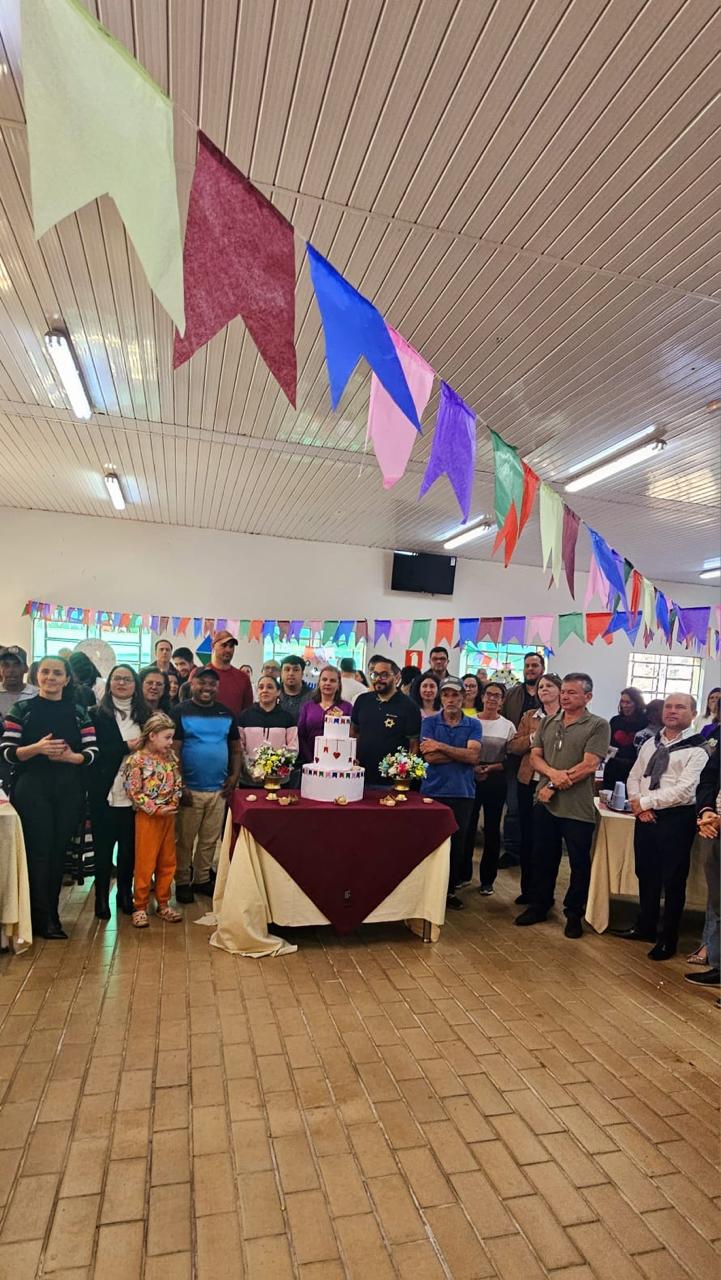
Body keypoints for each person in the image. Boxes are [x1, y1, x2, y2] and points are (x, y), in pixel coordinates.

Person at [0, 656, 98, 939]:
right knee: (38, 852)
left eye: (57, 673)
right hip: (32, 788)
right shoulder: (22, 708)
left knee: (58, 852)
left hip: (68, 788)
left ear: (67, 679)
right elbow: (7, 751)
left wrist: (71, 757)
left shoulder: (79, 712)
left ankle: (51, 914)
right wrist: (37, 748)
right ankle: (38, 918)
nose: (51, 677)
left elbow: (92, 752)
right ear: (36, 676)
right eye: (45, 672)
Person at [515, 673, 610, 938]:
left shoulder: (598, 725)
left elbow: (589, 765)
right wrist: (552, 775)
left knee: (579, 862)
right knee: (542, 856)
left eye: (572, 692)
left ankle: (574, 913)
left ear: (588, 697)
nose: (565, 697)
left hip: (577, 807)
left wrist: (554, 784)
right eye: (564, 692)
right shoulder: (548, 722)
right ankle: (539, 904)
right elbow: (535, 757)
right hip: (545, 802)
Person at [617, 693, 708, 960]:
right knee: (646, 873)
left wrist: (645, 802)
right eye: (668, 706)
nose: (672, 711)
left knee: (673, 880)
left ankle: (668, 939)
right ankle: (646, 926)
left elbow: (685, 790)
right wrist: (638, 804)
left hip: (676, 819)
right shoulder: (651, 742)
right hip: (645, 816)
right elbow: (635, 776)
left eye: (680, 707)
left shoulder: (698, 749)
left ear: (693, 714)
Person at [172, 668, 242, 902]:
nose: (207, 688)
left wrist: (234, 776)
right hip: (190, 790)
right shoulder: (179, 711)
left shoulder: (227, 714)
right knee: (184, 840)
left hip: (219, 790)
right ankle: (182, 880)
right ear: (192, 684)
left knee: (209, 840)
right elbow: (174, 750)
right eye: (202, 683)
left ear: (217, 688)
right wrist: (180, 784)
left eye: (212, 684)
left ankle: (202, 879)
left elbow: (235, 749)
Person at [89, 665, 148, 919]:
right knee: (103, 848)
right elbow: (94, 752)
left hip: (136, 793)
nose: (122, 683)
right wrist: (126, 746)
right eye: (117, 679)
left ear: (135, 685)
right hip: (104, 789)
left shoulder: (145, 715)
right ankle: (101, 897)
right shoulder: (95, 714)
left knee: (129, 848)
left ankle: (125, 894)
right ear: (109, 683)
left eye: (127, 679)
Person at [419, 677, 482, 911]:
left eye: (455, 695)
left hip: (462, 793)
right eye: (446, 695)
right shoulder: (429, 723)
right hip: (432, 791)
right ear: (441, 698)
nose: (451, 699)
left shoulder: (474, 724)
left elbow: (473, 757)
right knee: (429, 842)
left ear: (463, 697)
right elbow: (429, 757)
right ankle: (427, 890)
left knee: (457, 844)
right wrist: (460, 754)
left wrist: (441, 746)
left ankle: (448, 891)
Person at [123, 713, 183, 928]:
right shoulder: (136, 760)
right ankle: (140, 905)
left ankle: (163, 903)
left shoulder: (171, 758)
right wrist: (155, 809)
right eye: (167, 737)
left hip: (168, 816)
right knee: (145, 861)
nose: (170, 742)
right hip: (147, 818)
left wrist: (173, 803)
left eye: (171, 737)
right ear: (152, 736)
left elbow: (178, 782)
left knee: (168, 861)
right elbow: (133, 791)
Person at [508, 673, 562, 904]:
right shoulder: (529, 716)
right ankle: (527, 890)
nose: (544, 689)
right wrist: (533, 737)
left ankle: (544, 895)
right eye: (540, 687)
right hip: (528, 782)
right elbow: (513, 746)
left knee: (548, 842)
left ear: (560, 690)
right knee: (527, 837)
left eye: (549, 686)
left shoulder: (567, 717)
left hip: (555, 784)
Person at [461, 682, 515, 892]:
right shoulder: (470, 721)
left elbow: (512, 758)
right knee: (468, 828)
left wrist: (492, 767)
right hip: (470, 777)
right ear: (482, 697)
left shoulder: (508, 726)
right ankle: (463, 874)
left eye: (497, 695)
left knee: (492, 830)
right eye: (489, 694)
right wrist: (474, 767)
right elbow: (462, 749)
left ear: (502, 701)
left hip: (496, 779)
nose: (492, 698)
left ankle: (487, 880)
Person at [501, 652, 546, 868]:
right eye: (527, 665)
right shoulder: (512, 694)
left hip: (544, 764)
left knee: (538, 813)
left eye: (534, 665)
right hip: (515, 759)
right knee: (514, 809)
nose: (530, 669)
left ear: (542, 668)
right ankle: (512, 851)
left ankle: (534, 852)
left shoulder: (549, 693)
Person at [351, 655, 421, 786]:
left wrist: (404, 775)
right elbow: (353, 733)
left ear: (397, 677)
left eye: (384, 675)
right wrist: (351, 758)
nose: (378, 679)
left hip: (391, 781)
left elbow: (414, 745)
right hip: (360, 776)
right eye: (375, 675)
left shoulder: (409, 706)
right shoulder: (362, 700)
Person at [685, 728, 720, 989]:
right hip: (714, 829)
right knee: (718, 904)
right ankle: (718, 966)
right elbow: (708, 777)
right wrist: (706, 811)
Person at [238, 675, 298, 781]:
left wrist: (279, 768)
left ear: (278, 692)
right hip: (250, 778)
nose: (264, 690)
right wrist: (251, 769)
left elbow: (293, 748)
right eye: (261, 687)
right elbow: (240, 747)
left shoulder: (287, 718)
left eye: (270, 687)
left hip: (278, 779)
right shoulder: (245, 716)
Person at [298, 666, 352, 764]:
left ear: (338, 685)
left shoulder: (347, 707)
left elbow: (352, 735)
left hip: (339, 761)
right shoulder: (308, 707)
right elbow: (301, 735)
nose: (328, 683)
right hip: (309, 761)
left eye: (332, 681)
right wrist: (310, 759)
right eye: (324, 679)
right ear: (319, 683)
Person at [201, 630, 253, 720]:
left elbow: (248, 712)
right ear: (213, 646)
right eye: (224, 645)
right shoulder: (199, 674)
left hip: (234, 727)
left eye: (231, 646)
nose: (228, 650)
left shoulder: (243, 678)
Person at [602, 688, 647, 789]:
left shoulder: (644, 722)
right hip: (613, 767)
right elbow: (608, 744)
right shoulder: (615, 721)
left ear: (637, 704)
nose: (624, 705)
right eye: (622, 702)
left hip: (634, 769)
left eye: (628, 702)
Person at [0, 645, 37, 718]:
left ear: (26, 668)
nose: (11, 670)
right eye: (5, 665)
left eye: (16, 665)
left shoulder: (36, 695)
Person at [279, 655, 314, 721]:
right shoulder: (274, 694)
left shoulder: (313, 697)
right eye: (287, 669)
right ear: (281, 673)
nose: (291, 673)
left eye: (296, 670)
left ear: (302, 674)